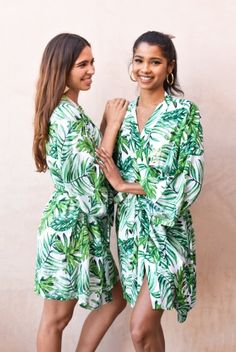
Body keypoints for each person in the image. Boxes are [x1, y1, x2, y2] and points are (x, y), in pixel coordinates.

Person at [96, 31, 204, 352]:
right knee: (149, 331)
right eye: (139, 60)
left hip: (168, 232)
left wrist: (126, 185)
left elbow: (191, 180)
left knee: (140, 328)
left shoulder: (185, 114)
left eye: (155, 61)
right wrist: (111, 127)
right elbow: (101, 173)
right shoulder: (121, 114)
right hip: (130, 234)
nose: (145, 69)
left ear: (169, 67)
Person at [33, 33, 128, 352]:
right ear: (62, 68)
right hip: (70, 230)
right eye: (82, 64)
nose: (91, 70)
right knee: (55, 319)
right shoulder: (63, 116)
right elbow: (89, 179)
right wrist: (112, 127)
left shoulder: (70, 111)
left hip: (83, 228)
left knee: (114, 298)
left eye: (92, 62)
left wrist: (101, 126)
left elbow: (85, 160)